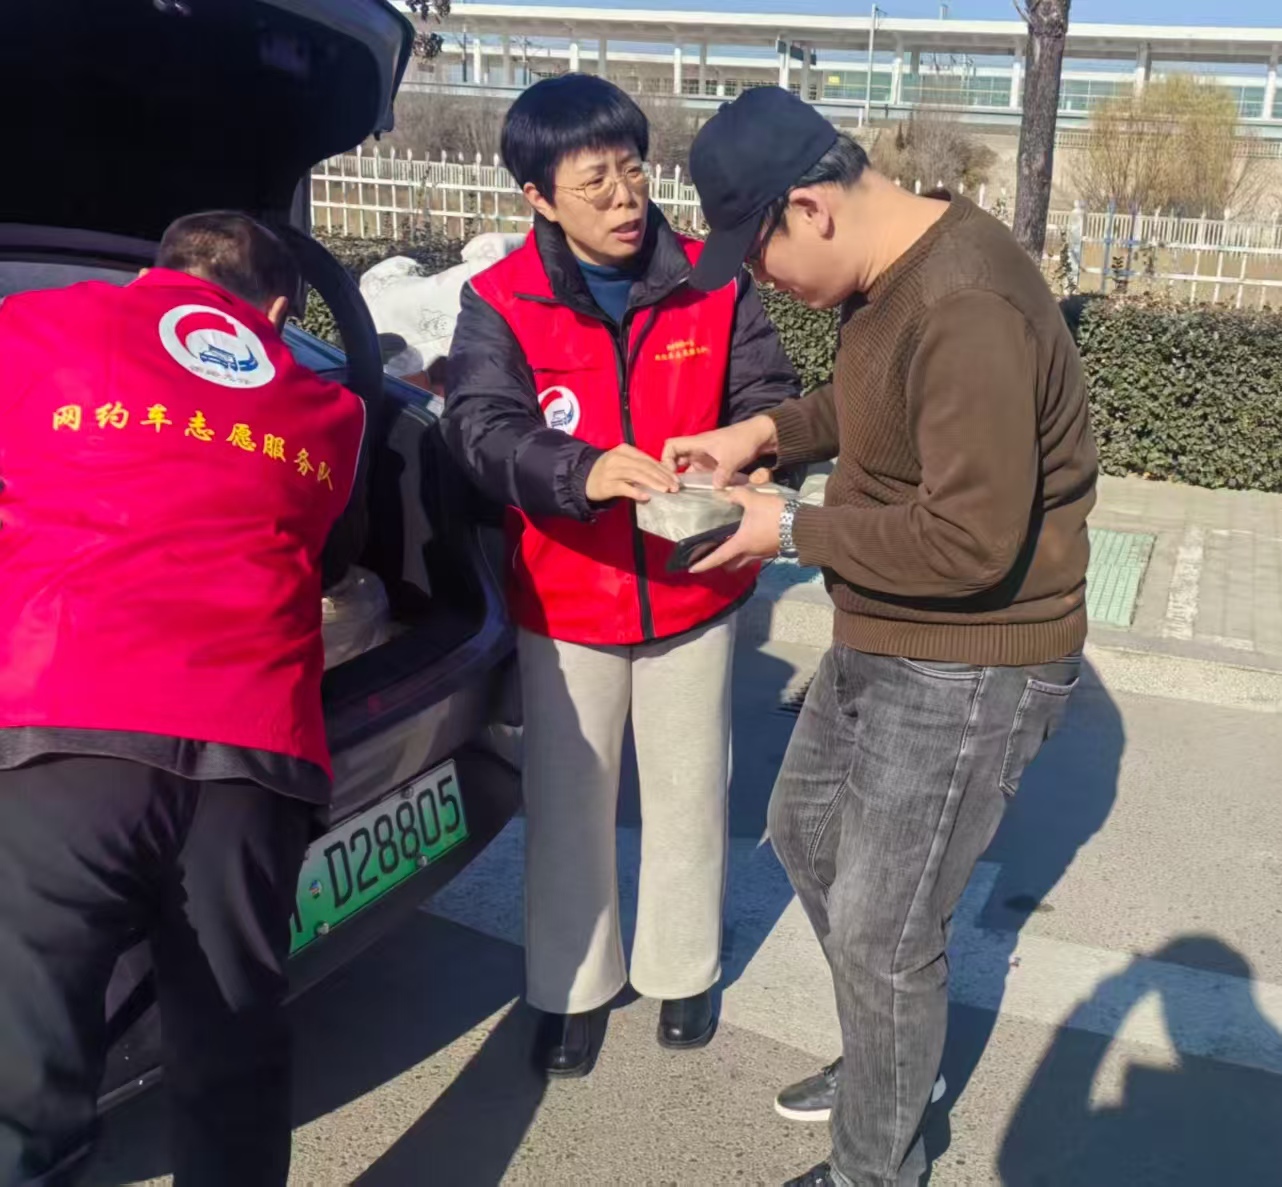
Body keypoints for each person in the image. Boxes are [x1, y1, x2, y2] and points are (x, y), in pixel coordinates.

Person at [663, 88, 1097, 1187]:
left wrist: (784, 528)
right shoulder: (890, 275)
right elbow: (870, 403)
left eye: (757, 257)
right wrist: (760, 432)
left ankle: (875, 1164)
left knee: (881, 930)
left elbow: (969, 541)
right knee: (804, 833)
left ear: (809, 208)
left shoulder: (967, 304)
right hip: (890, 625)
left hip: (971, 658)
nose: (761, 283)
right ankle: (890, 1062)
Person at [441, 74, 800, 1077]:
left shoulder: (712, 282)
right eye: (592, 181)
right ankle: (573, 986)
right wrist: (581, 470)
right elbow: (478, 427)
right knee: (569, 805)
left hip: (694, 585)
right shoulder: (500, 299)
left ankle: (684, 968)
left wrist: (749, 461)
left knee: (690, 792)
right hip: (565, 601)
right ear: (538, 196)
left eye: (632, 169)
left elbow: (769, 395)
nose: (623, 197)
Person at [0, 212, 367, 1186]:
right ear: (277, 313)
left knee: (27, 1073)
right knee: (231, 1055)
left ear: (155, 274)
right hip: (251, 758)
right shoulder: (329, 410)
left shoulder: (31, 326)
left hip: (63, 730)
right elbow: (324, 551)